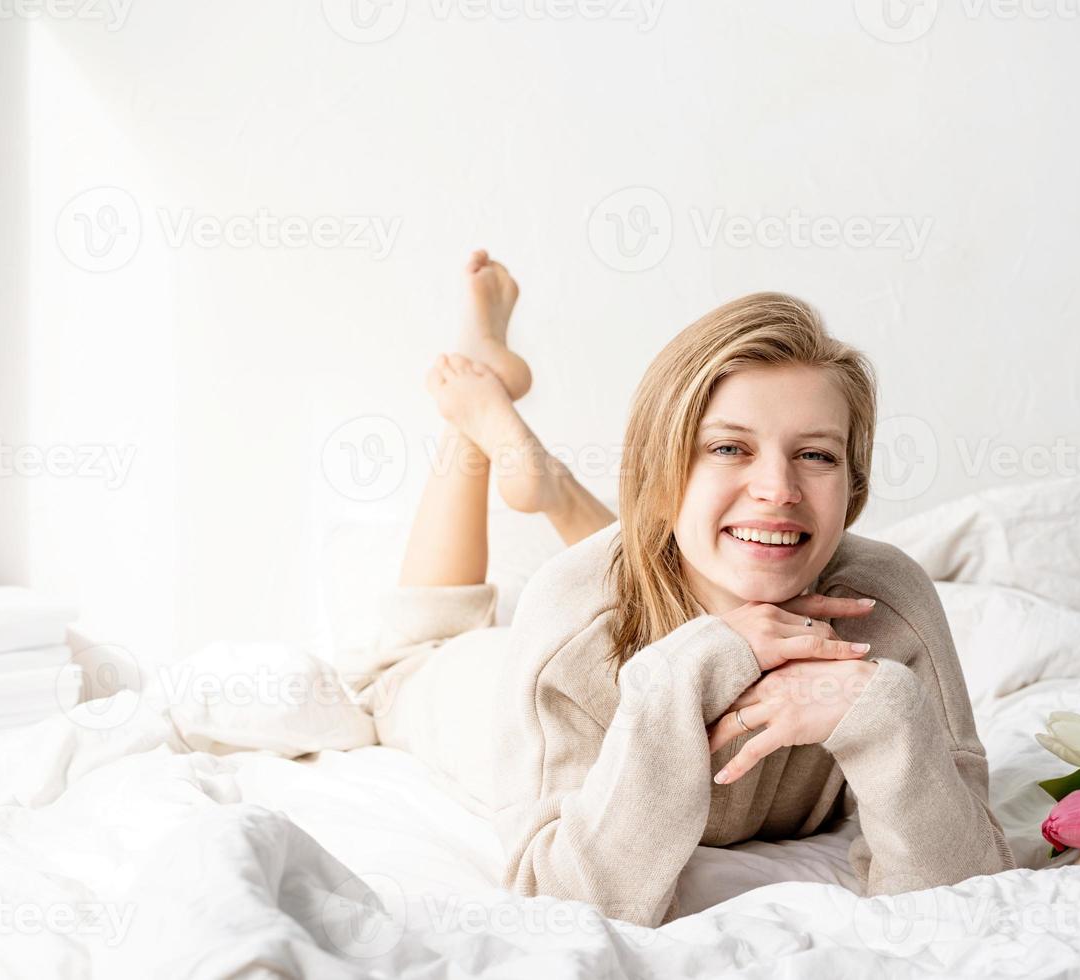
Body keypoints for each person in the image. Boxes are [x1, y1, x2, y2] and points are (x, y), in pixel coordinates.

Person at [354, 250, 1014, 929]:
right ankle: (472, 413)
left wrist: (885, 717)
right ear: (662, 466)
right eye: (728, 447)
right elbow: (566, 905)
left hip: (654, 557)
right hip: (476, 686)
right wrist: (688, 669)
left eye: (815, 454)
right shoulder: (572, 621)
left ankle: (545, 478)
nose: (779, 490)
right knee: (407, 659)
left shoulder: (888, 604)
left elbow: (968, 884)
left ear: (854, 484)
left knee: (694, 540)